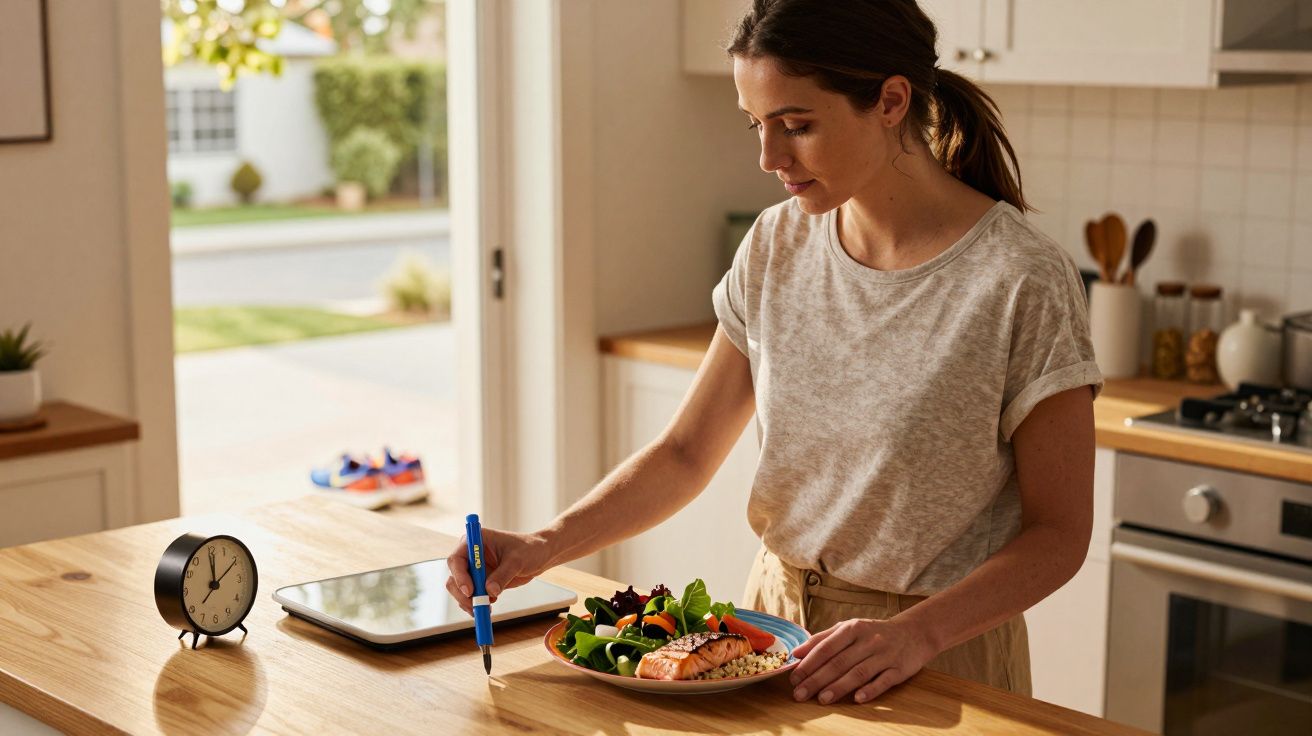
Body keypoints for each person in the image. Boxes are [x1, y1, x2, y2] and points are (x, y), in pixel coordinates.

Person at [447, 0, 1102, 705]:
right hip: (768, 638)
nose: (769, 158)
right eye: (756, 125)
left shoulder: (1020, 278)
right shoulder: (775, 244)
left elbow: (1058, 534)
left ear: (890, 100)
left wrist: (918, 633)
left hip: (936, 655)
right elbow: (685, 455)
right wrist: (544, 545)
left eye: (796, 126)